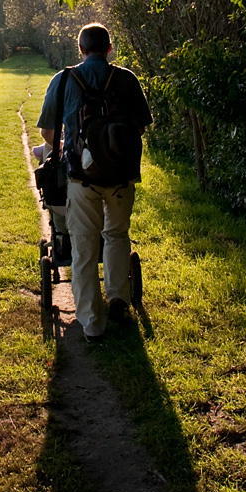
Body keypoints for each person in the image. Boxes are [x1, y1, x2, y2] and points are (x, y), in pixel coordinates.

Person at [37, 22, 152, 343]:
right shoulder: (127, 79)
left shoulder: (63, 80)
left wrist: (71, 146)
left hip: (80, 178)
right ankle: (117, 298)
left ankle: (91, 324)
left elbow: (48, 132)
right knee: (116, 234)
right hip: (120, 176)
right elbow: (140, 128)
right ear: (110, 48)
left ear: (81, 50)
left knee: (84, 248)